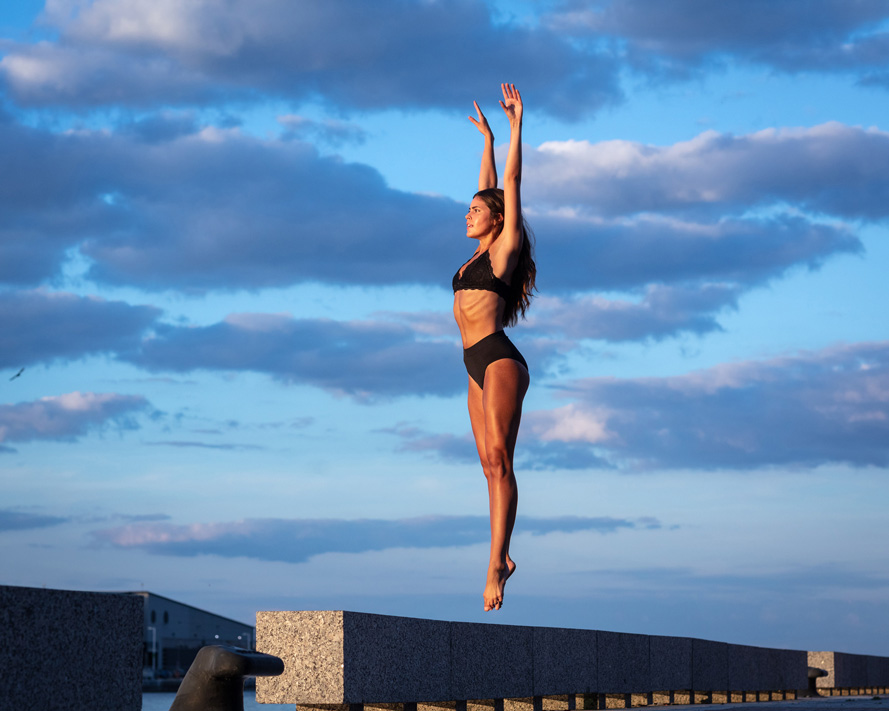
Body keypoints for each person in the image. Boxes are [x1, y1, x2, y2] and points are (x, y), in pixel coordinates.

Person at [453, 84, 536, 611]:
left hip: (500, 358)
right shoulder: (479, 250)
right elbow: (488, 185)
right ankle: (497, 558)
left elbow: (507, 184)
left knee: (501, 460)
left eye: (475, 211)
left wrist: (514, 127)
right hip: (471, 363)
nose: (468, 213)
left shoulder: (503, 251)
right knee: (486, 464)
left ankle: (496, 564)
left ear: (497, 221)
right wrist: (484, 140)